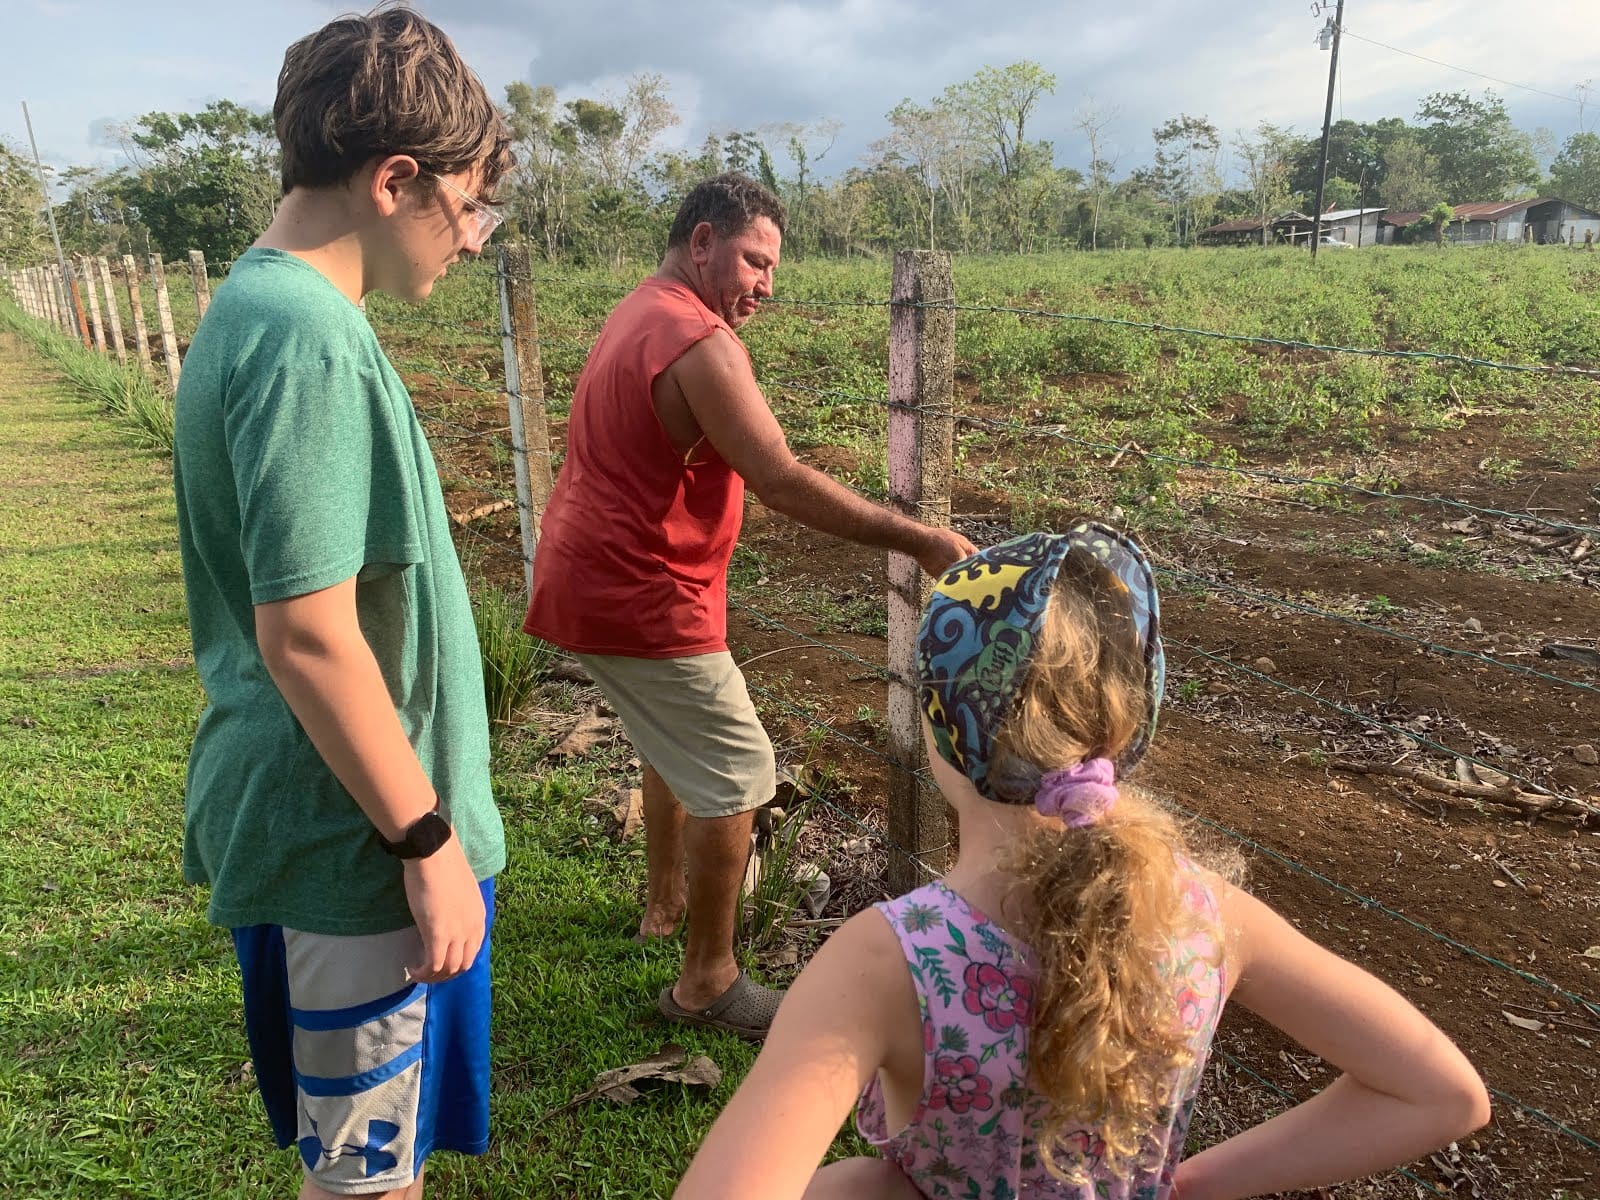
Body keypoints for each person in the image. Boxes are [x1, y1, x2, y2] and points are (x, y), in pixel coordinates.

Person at [675, 524, 1490, 1199]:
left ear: (940, 727)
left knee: (852, 1188)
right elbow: (1442, 1096)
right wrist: (1188, 1184)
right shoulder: (1209, 915)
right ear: (1132, 724)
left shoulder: (890, 960)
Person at [170, 8, 511, 1197]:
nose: (473, 243)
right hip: (356, 848)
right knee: (367, 1180)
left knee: (380, 1159)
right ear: (394, 180)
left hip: (350, 830)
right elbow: (308, 634)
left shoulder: (274, 312)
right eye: (472, 206)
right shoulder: (304, 337)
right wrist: (425, 842)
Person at [523, 172, 975, 1039]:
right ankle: (710, 981)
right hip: (643, 591)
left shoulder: (641, 310)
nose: (765, 285)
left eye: (772, 269)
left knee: (673, 745)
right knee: (736, 773)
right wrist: (918, 538)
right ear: (702, 243)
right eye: (754, 262)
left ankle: (665, 904)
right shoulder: (699, 340)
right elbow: (780, 478)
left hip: (591, 575)